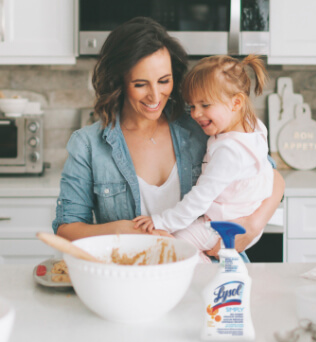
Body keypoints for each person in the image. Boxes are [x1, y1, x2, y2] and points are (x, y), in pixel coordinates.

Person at [52, 17, 285, 263]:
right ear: (119, 82)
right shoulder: (88, 145)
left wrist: (252, 226)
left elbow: (271, 176)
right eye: (141, 84)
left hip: (215, 279)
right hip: (132, 279)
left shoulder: (201, 124)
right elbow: (65, 230)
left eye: (164, 81)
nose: (155, 95)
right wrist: (120, 231)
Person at [133, 54, 274, 263]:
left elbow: (199, 199)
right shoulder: (251, 126)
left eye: (205, 105)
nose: (195, 114)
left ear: (236, 102)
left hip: (225, 224)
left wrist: (162, 222)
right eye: (191, 106)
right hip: (242, 217)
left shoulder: (230, 152)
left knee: (176, 247)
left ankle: (208, 278)